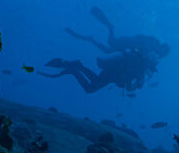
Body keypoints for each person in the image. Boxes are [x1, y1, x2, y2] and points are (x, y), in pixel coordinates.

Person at [40, 7, 168, 94]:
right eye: (160, 56)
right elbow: (135, 72)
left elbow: (135, 77)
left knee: (93, 84)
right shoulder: (144, 59)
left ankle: (77, 66)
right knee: (90, 88)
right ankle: (75, 68)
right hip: (115, 72)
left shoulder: (145, 58)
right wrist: (136, 83)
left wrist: (135, 84)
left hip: (115, 73)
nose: (159, 58)